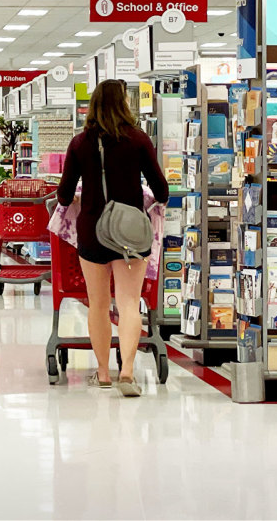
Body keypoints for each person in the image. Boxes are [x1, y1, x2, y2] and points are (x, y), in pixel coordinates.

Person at [56, 79, 168, 398]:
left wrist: (83, 196)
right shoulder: (138, 139)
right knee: (130, 303)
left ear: (93, 105)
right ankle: (128, 373)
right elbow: (162, 190)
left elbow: (64, 195)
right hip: (130, 233)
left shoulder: (80, 143)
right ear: (123, 104)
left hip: (92, 231)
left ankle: (103, 374)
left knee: (99, 304)